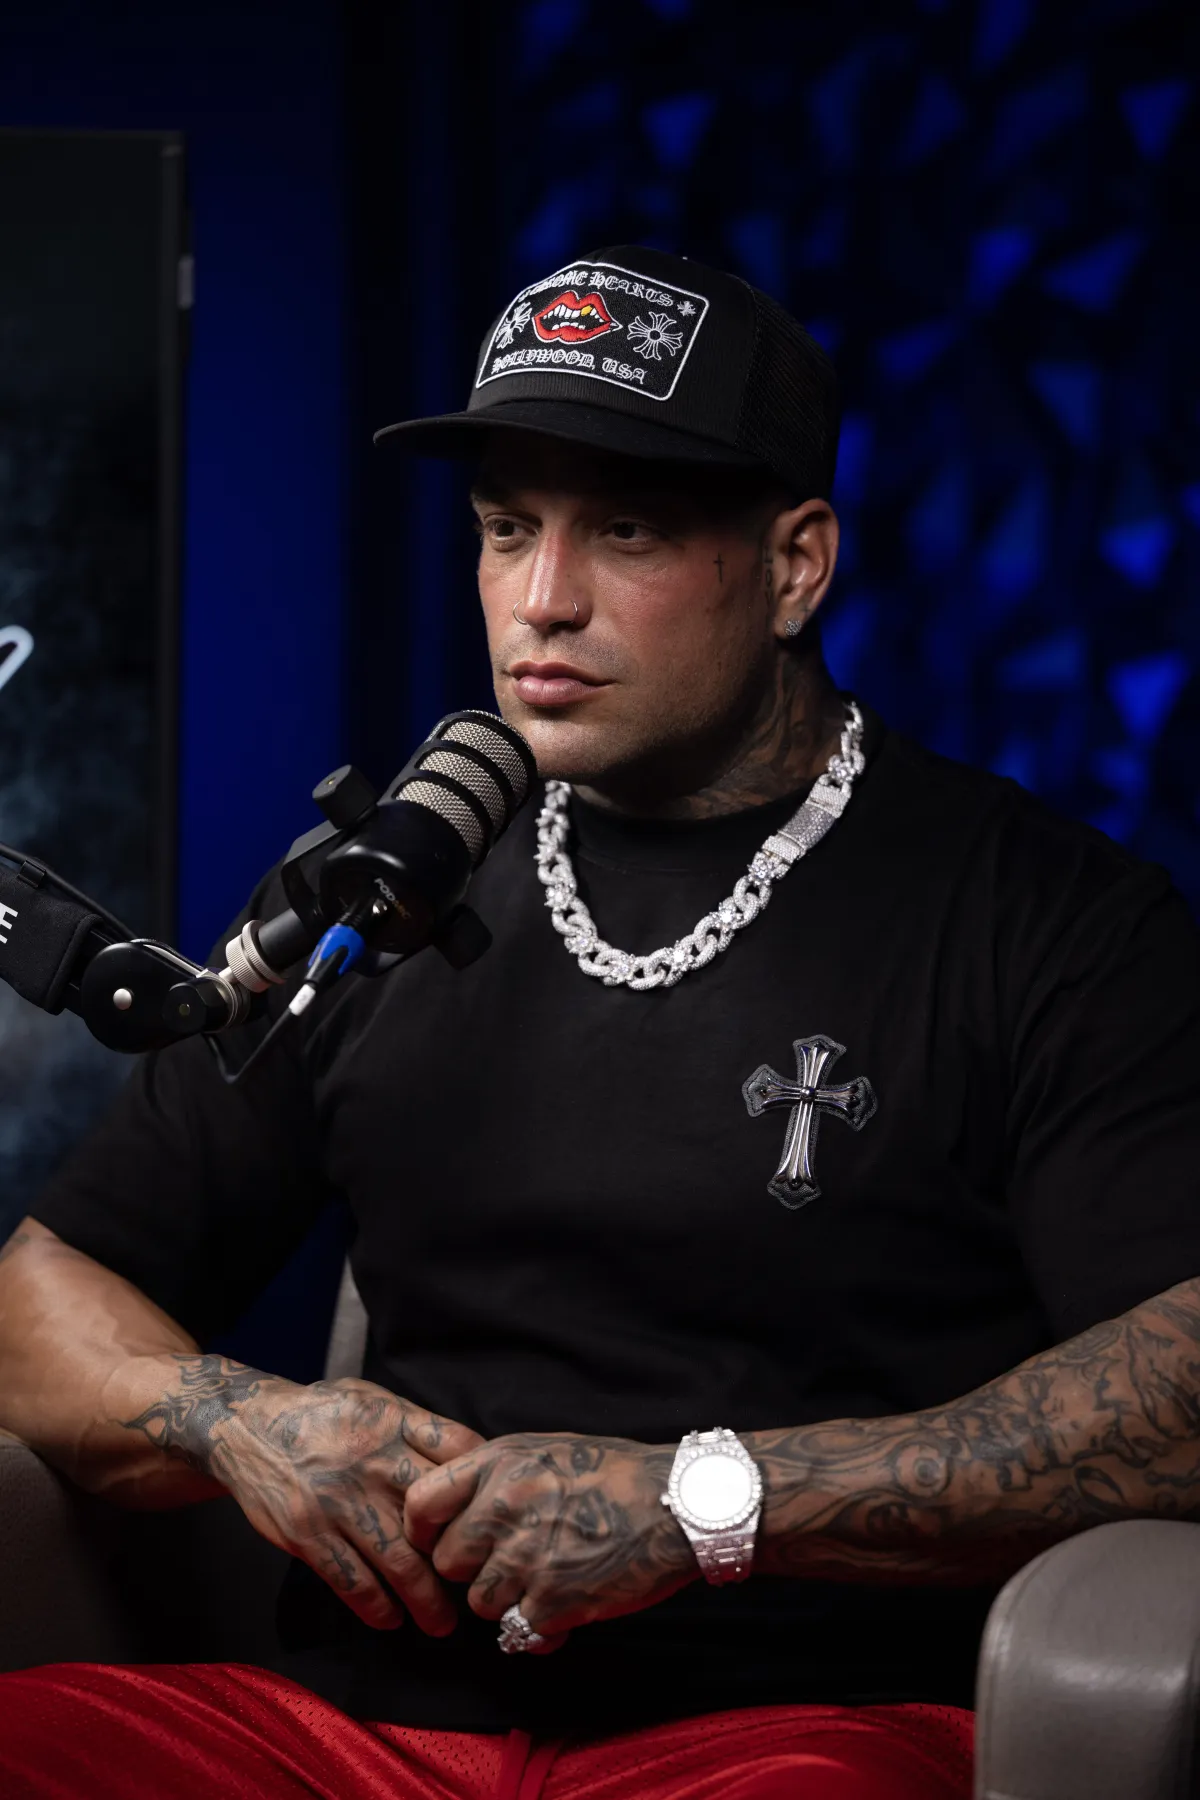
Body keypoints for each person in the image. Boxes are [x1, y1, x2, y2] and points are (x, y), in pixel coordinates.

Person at [1, 243, 1199, 1800]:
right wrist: (244, 1423)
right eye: (509, 531)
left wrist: (708, 1503)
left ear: (795, 567)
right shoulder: (378, 899)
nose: (542, 602)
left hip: (791, 1730)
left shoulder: (1047, 920)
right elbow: (46, 1296)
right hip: (355, 1732)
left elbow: (1182, 1384)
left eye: (623, 530)